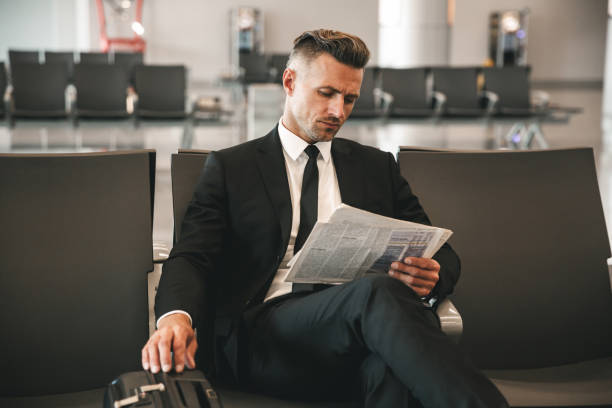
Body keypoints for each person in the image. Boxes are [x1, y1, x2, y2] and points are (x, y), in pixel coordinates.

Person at [142, 29, 508, 407]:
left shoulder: (375, 167)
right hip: (268, 339)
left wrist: (433, 273)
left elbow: (442, 251)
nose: (339, 111)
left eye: (350, 98)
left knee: (390, 372)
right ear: (290, 81)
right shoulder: (232, 167)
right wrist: (175, 318)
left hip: (361, 336)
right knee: (377, 295)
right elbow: (191, 256)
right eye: (327, 93)